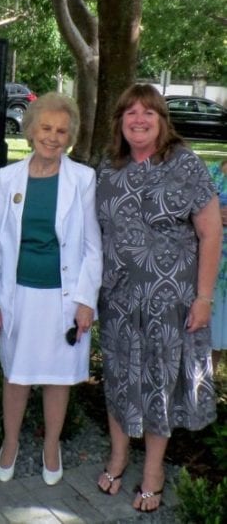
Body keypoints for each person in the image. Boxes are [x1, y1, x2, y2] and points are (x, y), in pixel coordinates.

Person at [95, 84, 221, 513]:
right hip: (117, 298)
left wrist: (204, 298)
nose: (138, 119)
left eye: (148, 112)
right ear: (120, 123)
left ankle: (153, 471)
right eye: (129, 112)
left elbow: (210, 232)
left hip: (171, 301)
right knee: (117, 378)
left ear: (162, 120)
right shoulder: (107, 168)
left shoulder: (185, 165)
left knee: (158, 385)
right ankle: (117, 455)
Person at [0, 92, 102, 487]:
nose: (52, 137)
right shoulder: (8, 177)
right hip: (19, 294)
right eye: (46, 128)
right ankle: (11, 442)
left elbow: (91, 247)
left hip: (63, 298)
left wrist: (86, 301)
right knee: (16, 375)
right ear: (31, 129)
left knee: (57, 376)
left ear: (70, 138)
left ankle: (51, 445)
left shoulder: (83, 179)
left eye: (61, 131)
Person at [207, 158, 227, 372]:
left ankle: (206, 389)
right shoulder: (210, 171)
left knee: (222, 333)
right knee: (205, 330)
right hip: (209, 263)